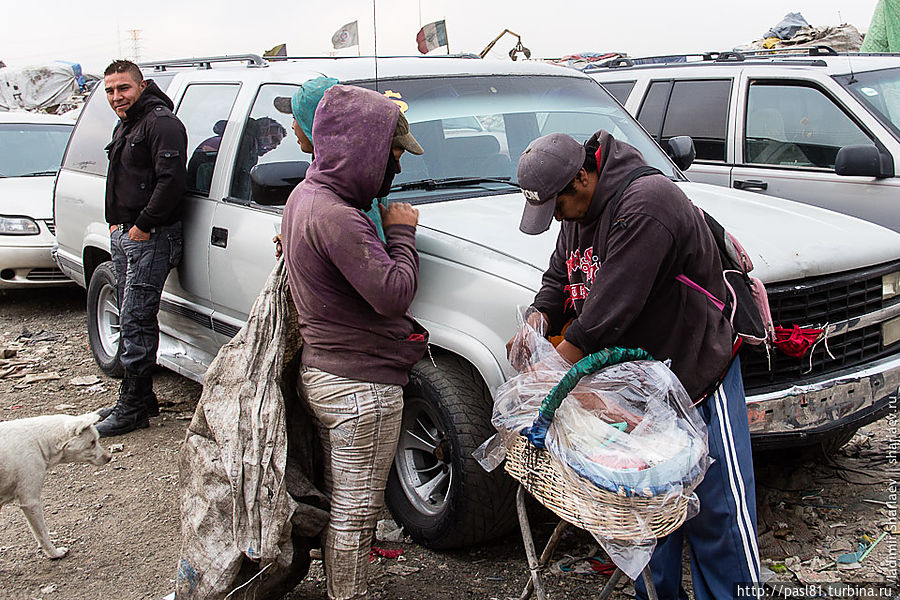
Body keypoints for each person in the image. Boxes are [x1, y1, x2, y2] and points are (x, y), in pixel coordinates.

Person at [512, 131, 760, 600]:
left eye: (557, 206)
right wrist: (537, 320)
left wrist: (546, 379)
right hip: (640, 384)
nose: (559, 218)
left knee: (717, 512)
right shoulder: (577, 208)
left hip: (695, 370)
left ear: (582, 176)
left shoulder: (646, 204)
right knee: (644, 510)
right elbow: (560, 277)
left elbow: (605, 315)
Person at [281, 83, 427, 600]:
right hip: (357, 388)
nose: (397, 168)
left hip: (326, 374)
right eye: (392, 154)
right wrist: (402, 233)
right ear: (363, 150)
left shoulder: (307, 195)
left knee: (344, 501)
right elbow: (391, 294)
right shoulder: (339, 217)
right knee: (356, 512)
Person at [96, 60, 187, 437]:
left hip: (151, 236)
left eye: (123, 89)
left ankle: (133, 407)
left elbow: (171, 181)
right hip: (127, 235)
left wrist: (143, 226)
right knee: (132, 313)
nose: (116, 97)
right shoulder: (128, 122)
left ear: (142, 85)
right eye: (110, 91)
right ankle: (142, 396)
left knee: (135, 317)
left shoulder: (162, 123)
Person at [272, 76, 392, 258]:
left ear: (317, 121)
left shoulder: (348, 184)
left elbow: (383, 281)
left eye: (297, 117)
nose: (293, 125)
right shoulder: (330, 176)